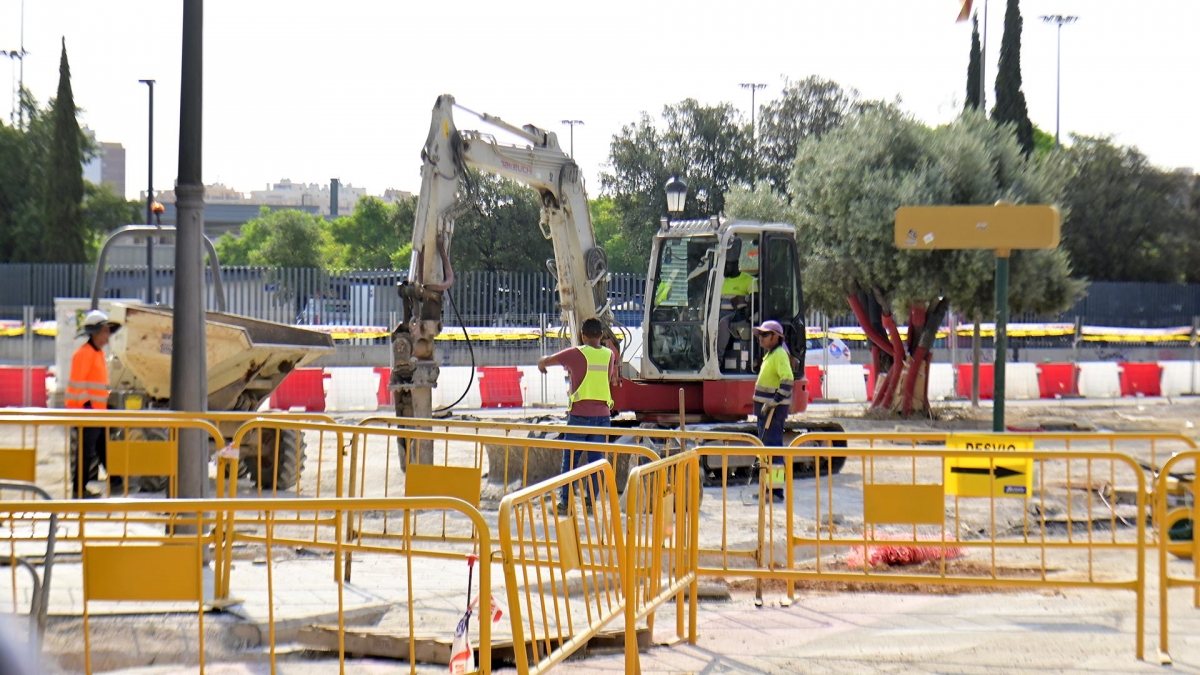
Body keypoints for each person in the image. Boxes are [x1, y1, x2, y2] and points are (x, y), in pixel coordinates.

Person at [537, 317, 617, 514]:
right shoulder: (609, 354)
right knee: (596, 462)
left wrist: (541, 364)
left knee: (570, 462)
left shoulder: (575, 353)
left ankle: (566, 504)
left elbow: (546, 361)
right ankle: (590, 502)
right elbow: (607, 379)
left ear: (582, 335)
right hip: (603, 416)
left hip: (580, 415)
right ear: (601, 335)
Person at [67, 309, 121, 499]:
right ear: (96, 332)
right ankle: (79, 489)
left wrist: (102, 407)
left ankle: (116, 481)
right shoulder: (84, 354)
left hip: (96, 412)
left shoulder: (96, 354)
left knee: (101, 448)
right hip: (87, 413)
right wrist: (87, 406)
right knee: (87, 452)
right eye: (106, 331)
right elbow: (77, 384)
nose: (108, 336)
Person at [752, 320, 794, 501]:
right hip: (765, 412)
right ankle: (767, 490)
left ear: (775, 337)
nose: (760, 338)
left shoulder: (779, 355)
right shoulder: (771, 355)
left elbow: (788, 381)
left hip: (773, 413)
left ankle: (776, 492)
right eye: (759, 334)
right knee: (766, 453)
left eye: (764, 335)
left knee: (774, 451)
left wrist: (773, 402)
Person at [716, 257, 758, 362]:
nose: (723, 269)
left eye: (726, 266)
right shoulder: (719, 281)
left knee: (723, 324)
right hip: (717, 313)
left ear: (734, 264)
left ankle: (718, 359)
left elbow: (756, 299)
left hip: (736, 314)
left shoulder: (749, 280)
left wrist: (744, 298)